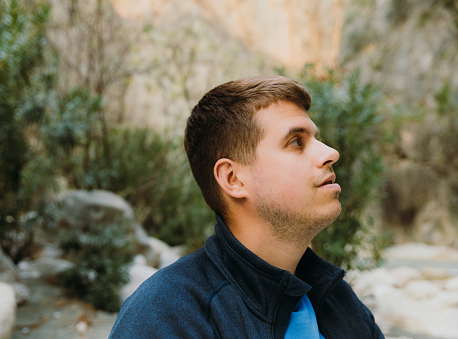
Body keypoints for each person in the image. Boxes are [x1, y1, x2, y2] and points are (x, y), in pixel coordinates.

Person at [108, 75, 384, 338]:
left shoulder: (338, 300)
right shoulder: (167, 314)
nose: (330, 153)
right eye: (296, 142)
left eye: (316, 138)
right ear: (233, 179)